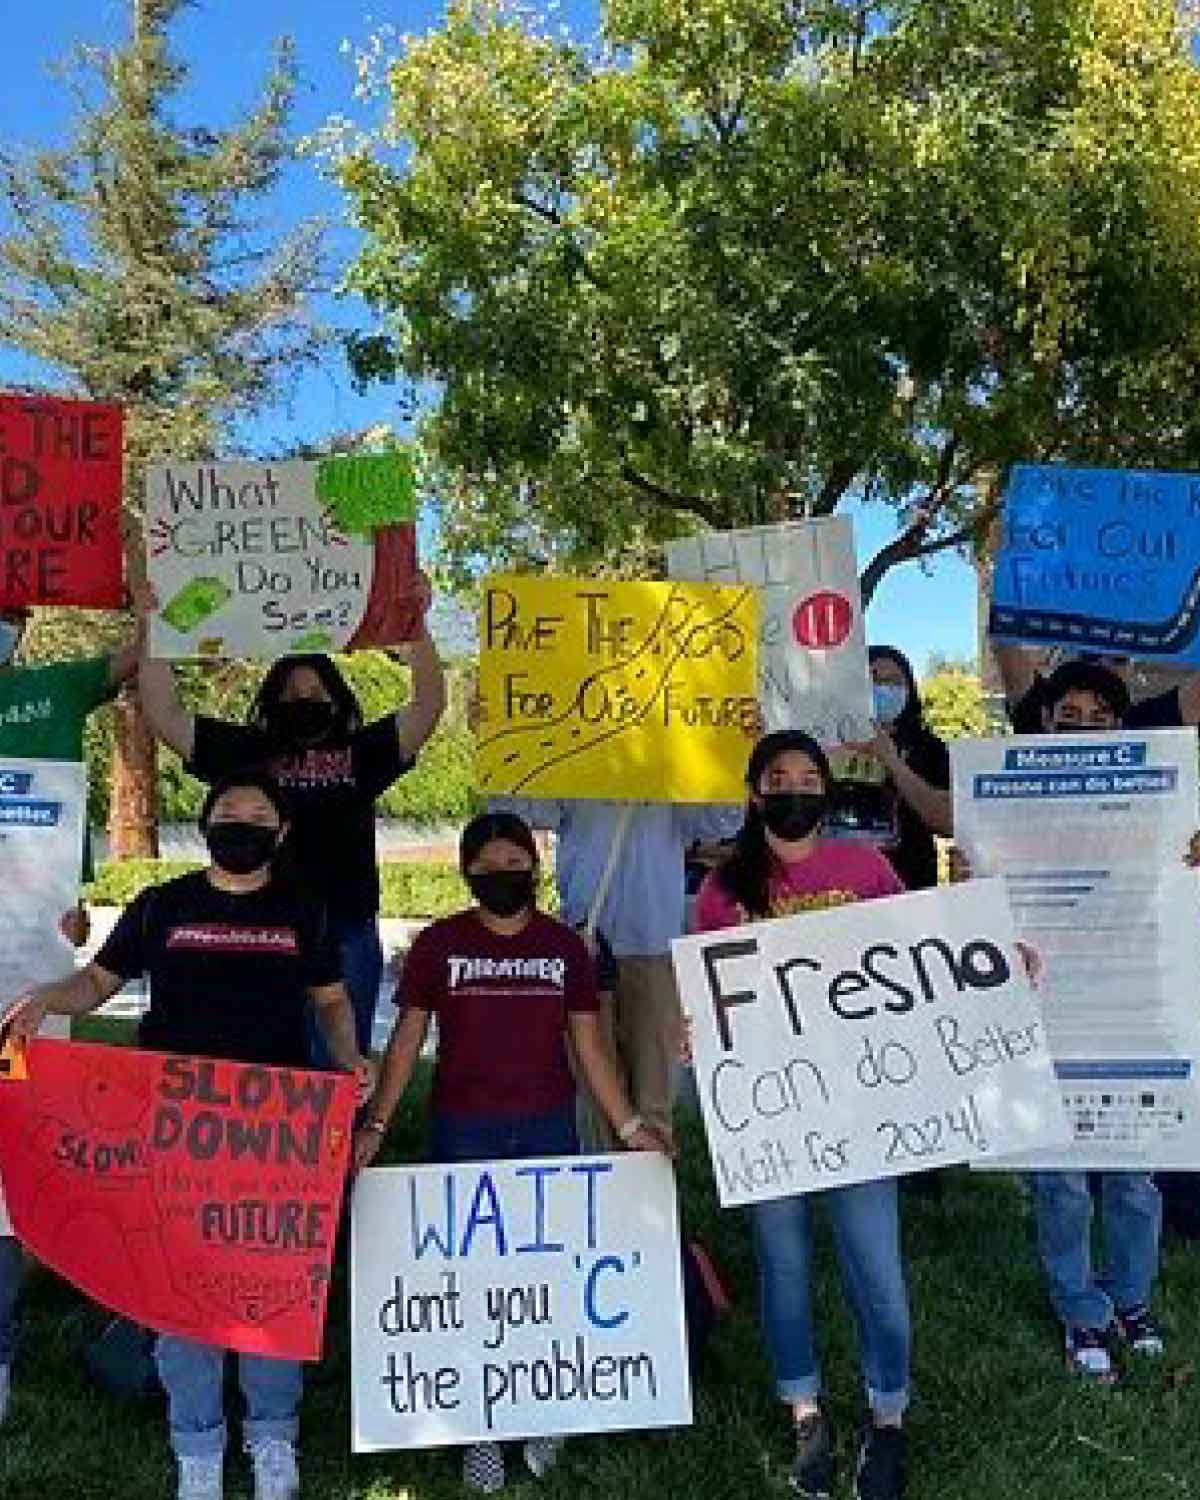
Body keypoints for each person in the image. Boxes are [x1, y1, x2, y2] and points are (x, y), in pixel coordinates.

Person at [1, 771, 373, 1500]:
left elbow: (330, 1003)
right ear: (204, 824)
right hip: (172, 1138)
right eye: (228, 809)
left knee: (268, 1284)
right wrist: (49, 996)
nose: (241, 819)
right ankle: (197, 1446)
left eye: (258, 812)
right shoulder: (162, 906)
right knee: (176, 1294)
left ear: (282, 832)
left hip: (273, 1141)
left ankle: (272, 1439)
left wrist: (349, 1055)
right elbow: (97, 987)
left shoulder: (305, 911)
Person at [354, 809, 669, 1495]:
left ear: (535, 865)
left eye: (516, 863)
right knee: (471, 1285)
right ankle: (482, 1429)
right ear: (468, 872)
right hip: (464, 1129)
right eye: (490, 866)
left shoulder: (565, 950)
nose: (504, 875)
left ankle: (543, 1406)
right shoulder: (440, 945)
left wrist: (629, 1124)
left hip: (548, 1127)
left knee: (544, 1278)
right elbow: (407, 1040)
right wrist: (376, 1124)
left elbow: (589, 1047)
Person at [693, 731, 910, 1500]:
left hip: (857, 1102)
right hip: (769, 1111)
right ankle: (805, 1409)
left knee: (876, 1270)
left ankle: (889, 1417)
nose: (793, 787)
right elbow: (710, 1004)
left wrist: (995, 961)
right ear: (754, 793)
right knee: (782, 1266)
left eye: (807, 775)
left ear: (826, 790)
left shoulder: (867, 870)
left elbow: (918, 967)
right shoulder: (722, 890)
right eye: (777, 776)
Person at [139, 612, 445, 1064]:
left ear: (338, 700)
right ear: (269, 701)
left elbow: (428, 705)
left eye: (314, 692)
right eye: (290, 693)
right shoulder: (244, 750)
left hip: (345, 926)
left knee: (341, 1064)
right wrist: (154, 622)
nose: (302, 699)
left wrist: (414, 620)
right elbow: (163, 713)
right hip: (258, 926)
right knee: (255, 1053)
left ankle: (343, 1136)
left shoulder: (363, 752)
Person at [0, 602, 142, 1426]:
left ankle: (5, 1341)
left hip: (30, 963)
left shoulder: (54, 687)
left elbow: (140, 658)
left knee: (16, 1135)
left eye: (7, 617)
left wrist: (159, 587)